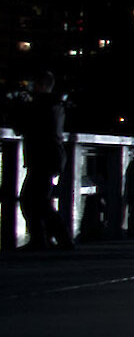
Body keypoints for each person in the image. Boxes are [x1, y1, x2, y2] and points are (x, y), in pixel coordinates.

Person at [8, 71, 73, 249]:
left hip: (43, 157)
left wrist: (17, 104)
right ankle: (46, 238)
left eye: (35, 85)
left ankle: (56, 238)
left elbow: (20, 127)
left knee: (33, 200)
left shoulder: (42, 106)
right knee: (36, 199)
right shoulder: (54, 104)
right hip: (49, 156)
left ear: (42, 86)